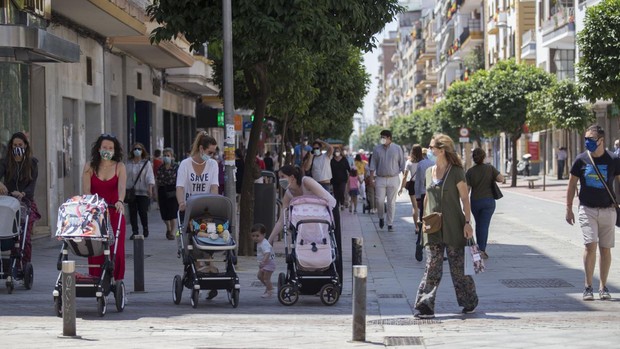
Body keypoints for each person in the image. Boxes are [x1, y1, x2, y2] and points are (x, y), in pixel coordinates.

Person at [414, 134, 477, 319]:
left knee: (457, 268)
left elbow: (465, 198)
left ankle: (469, 301)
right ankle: (425, 305)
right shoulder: (428, 172)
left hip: (454, 226)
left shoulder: (456, 171)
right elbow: (427, 197)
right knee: (432, 266)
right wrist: (421, 219)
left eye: (432, 147)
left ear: (441, 150)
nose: (430, 149)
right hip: (433, 227)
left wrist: (467, 223)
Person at [566, 125, 620, 301]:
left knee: (606, 249)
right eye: (586, 139)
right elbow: (572, 184)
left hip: (608, 210)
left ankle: (603, 286)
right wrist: (568, 207)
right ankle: (588, 286)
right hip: (587, 209)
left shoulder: (613, 159)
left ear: (601, 140)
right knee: (590, 245)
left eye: (591, 139)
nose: (587, 142)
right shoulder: (581, 160)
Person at [268, 165, 340, 276]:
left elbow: (326, 199)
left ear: (292, 177)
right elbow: (281, 220)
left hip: (327, 214)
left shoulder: (306, 182)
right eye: (279, 177)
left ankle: (331, 274)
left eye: (282, 176)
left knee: (329, 246)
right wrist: (270, 239)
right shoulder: (289, 194)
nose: (280, 180)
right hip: (306, 221)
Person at [177, 131, 220, 300]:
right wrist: (181, 202)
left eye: (214, 153)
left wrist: (215, 203)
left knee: (209, 240)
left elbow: (214, 187)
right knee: (191, 244)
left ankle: (210, 272)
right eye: (210, 152)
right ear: (201, 149)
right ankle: (198, 273)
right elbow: (180, 187)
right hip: (189, 209)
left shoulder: (213, 165)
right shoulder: (185, 164)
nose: (212, 156)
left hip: (207, 211)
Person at [82, 133, 127, 281]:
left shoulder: (120, 167)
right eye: (104, 147)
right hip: (96, 214)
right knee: (96, 250)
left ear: (115, 150)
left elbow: (122, 188)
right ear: (99, 149)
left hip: (114, 212)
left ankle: (118, 281)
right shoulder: (89, 167)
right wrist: (92, 203)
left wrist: (120, 200)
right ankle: (97, 281)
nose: (107, 150)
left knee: (116, 251)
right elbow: (86, 190)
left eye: (110, 148)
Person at [0, 132, 41, 271]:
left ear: (25, 146)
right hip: (8, 202)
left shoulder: (32, 164)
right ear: (11, 147)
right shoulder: (5, 162)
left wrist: (23, 193)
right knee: (8, 232)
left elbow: (32, 185)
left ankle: (23, 263)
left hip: (25, 202)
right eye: (15, 145)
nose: (17, 147)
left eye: (20, 145)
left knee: (24, 235)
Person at [466, 148, 504, 259]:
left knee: (480, 224)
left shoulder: (470, 171)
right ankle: (481, 250)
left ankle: (480, 248)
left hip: (475, 202)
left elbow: (467, 190)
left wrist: (465, 204)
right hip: (488, 201)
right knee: (484, 225)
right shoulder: (490, 168)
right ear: (484, 157)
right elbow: (501, 179)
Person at [369, 130, 405, 232]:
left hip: (393, 178)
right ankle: (381, 217)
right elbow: (372, 164)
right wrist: (371, 178)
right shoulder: (376, 149)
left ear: (390, 138)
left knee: (391, 202)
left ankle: (390, 223)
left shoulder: (397, 148)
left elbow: (402, 164)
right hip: (380, 178)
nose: (382, 139)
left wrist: (404, 180)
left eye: (384, 137)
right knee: (379, 200)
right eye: (381, 137)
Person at [126, 142, 155, 240]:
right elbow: (124, 176)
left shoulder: (146, 163)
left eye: (139, 149)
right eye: (135, 149)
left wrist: (150, 188)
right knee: (132, 212)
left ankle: (145, 228)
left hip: (143, 192)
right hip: (131, 192)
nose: (137, 151)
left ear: (142, 151)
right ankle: (135, 231)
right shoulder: (128, 163)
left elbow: (150, 176)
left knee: (143, 211)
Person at [414, 147, 435, 261]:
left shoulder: (421, 164)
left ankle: (420, 243)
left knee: (424, 220)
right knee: (436, 221)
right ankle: (435, 248)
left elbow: (417, 183)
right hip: (434, 196)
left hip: (423, 195)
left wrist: (417, 197)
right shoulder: (434, 163)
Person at [156, 147, 179, 240]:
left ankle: (172, 232)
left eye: (168, 156)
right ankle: (168, 227)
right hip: (162, 190)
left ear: (172, 157)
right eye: (164, 156)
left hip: (173, 190)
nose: (166, 157)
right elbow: (157, 181)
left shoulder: (176, 167)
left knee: (173, 213)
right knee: (164, 213)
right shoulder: (160, 168)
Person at [399, 145, 421, 231]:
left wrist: (401, 188)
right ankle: (423, 226)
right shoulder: (423, 162)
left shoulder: (409, 162)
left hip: (412, 185)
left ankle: (416, 227)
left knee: (415, 207)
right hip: (422, 185)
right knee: (423, 206)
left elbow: (405, 177)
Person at [251, 223, 275, 298]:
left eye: (257, 236)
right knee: (259, 276)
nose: (255, 238)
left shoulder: (264, 243)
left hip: (269, 263)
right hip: (265, 263)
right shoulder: (260, 242)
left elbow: (267, 253)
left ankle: (270, 291)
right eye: (253, 236)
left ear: (263, 235)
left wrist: (263, 262)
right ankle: (269, 287)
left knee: (266, 278)